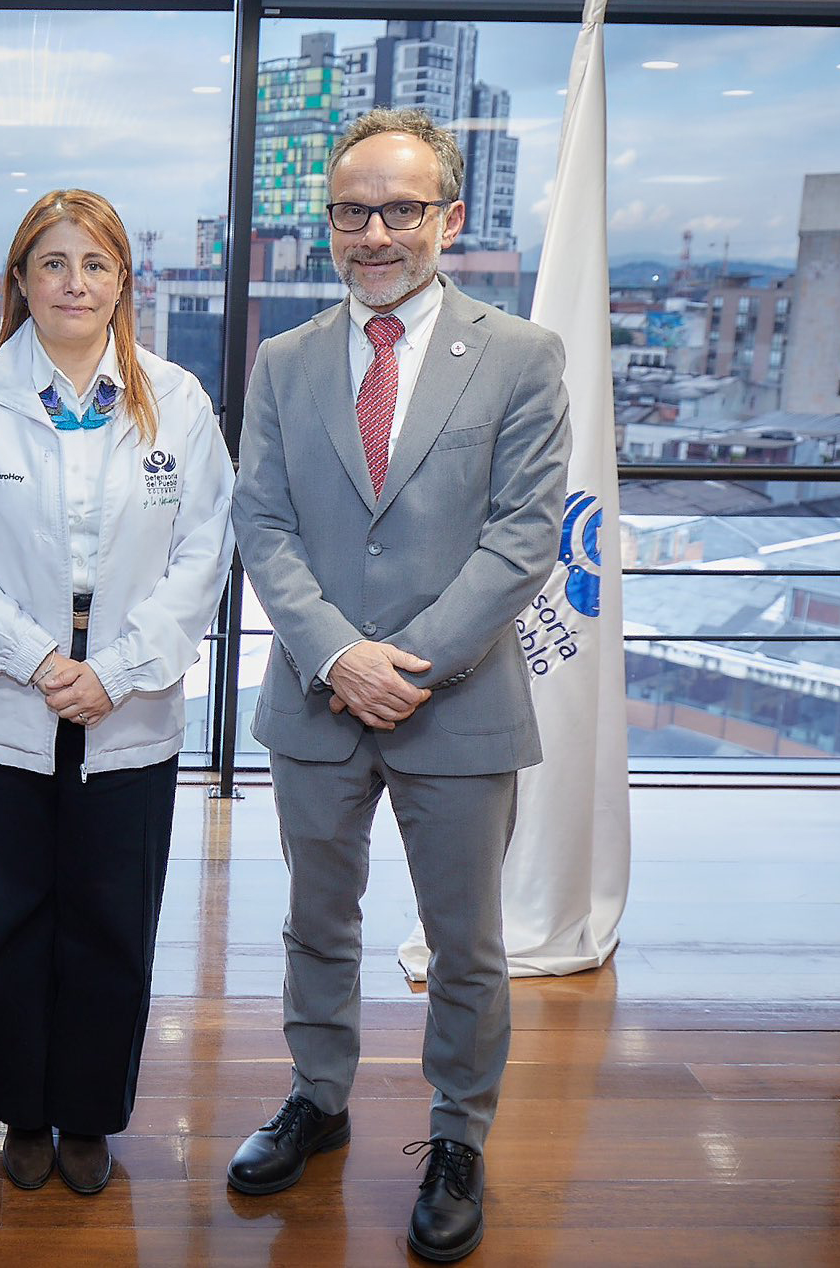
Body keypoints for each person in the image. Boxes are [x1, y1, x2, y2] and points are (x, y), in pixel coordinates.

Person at [225, 108, 569, 1262]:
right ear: (327, 222)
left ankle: (456, 1135)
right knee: (315, 924)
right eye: (349, 211)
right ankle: (316, 1101)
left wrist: (404, 665)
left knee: (464, 943)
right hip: (315, 700)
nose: (373, 233)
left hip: (456, 704)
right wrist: (338, 655)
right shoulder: (282, 361)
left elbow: (523, 539)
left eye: (399, 209)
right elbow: (261, 524)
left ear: (449, 218)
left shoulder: (521, 356)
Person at [0, 189, 234, 1194]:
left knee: (108, 914)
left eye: (93, 265)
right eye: (50, 264)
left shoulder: (174, 400)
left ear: (122, 283)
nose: (72, 283)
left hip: (125, 695)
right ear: (17, 281)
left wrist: (119, 670)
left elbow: (203, 552)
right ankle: (19, 1108)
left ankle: (87, 1111)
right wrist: (38, 658)